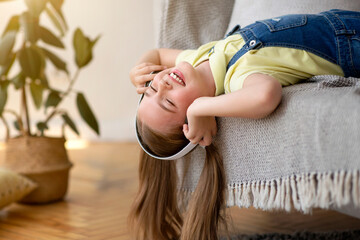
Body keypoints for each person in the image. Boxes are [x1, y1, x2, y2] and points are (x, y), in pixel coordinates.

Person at [128, 9, 360, 240]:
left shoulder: (196, 59)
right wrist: (201, 107)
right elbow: (266, 95)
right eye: (168, 103)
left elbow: (156, 54)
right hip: (350, 45)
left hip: (341, 20)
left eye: (151, 89)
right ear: (193, 122)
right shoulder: (236, 78)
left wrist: (138, 70)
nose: (163, 84)